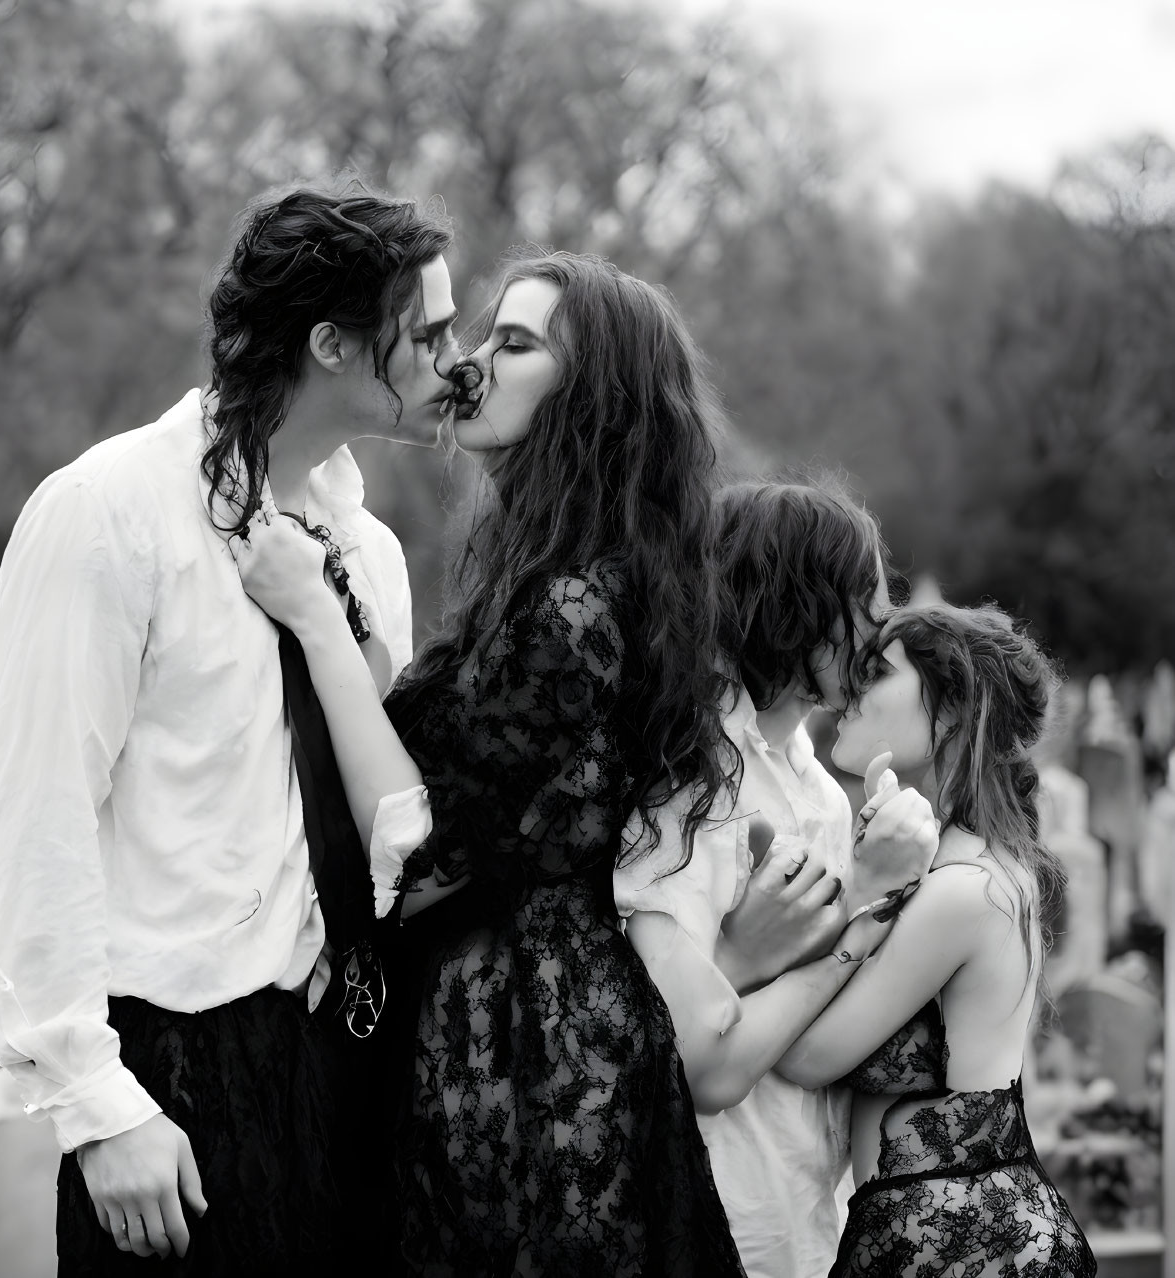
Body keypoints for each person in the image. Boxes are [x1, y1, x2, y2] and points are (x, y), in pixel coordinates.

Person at [0, 181, 462, 1275]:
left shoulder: (367, 556)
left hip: (338, 1065)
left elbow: (383, 828)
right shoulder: (107, 513)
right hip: (170, 1076)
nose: (452, 358)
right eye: (423, 333)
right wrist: (97, 1105)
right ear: (333, 345)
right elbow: (32, 817)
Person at [232, 250, 748, 1275]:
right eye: (479, 336)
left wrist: (315, 625)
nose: (467, 363)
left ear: (588, 397)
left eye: (513, 345)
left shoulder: (572, 606)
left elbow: (417, 848)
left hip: (527, 1054)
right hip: (509, 1024)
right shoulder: (553, 578)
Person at [614, 480, 938, 1278]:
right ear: (790, 605)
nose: (880, 623)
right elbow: (693, 1063)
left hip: (806, 1208)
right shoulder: (690, 781)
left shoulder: (822, 789)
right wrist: (860, 911)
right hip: (716, 1213)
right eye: (863, 597)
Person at [777, 601, 1098, 1277]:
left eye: (878, 672)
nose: (851, 689)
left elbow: (804, 1056)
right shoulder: (959, 864)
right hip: (932, 1231)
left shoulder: (963, 888)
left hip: (964, 1245)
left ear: (951, 710)